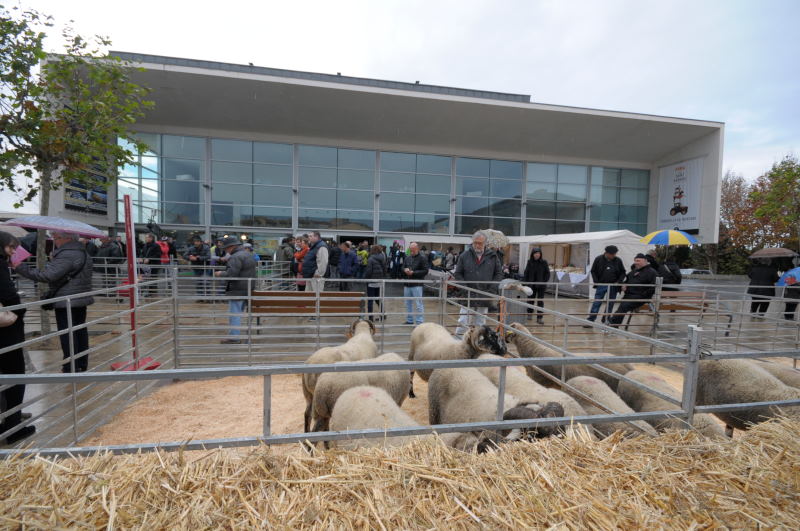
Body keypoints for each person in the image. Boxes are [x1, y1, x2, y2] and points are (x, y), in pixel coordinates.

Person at [14, 231, 94, 372]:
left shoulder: (67, 254)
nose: (54, 241)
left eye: (56, 238)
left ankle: (71, 366)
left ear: (67, 238)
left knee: (68, 333)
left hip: (66, 300)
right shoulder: (82, 252)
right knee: (79, 330)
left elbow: (47, 275)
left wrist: (19, 266)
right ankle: (81, 363)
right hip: (79, 298)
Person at [0, 231, 36, 444]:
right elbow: (8, 296)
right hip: (5, 333)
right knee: (15, 376)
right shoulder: (0, 266)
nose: (14, 251)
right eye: (11, 247)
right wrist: (20, 310)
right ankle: (13, 427)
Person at [453, 231, 503, 337]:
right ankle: (458, 344)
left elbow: (498, 274)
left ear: (485, 243)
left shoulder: (493, 256)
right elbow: (458, 274)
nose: (477, 245)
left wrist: (491, 290)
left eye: (480, 243)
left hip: (484, 294)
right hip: (468, 294)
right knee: (463, 321)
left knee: (480, 322)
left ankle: (478, 343)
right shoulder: (464, 255)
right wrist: (465, 289)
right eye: (475, 242)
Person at [214, 237, 256, 344]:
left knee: (235, 313)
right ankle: (234, 334)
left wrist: (220, 274)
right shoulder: (248, 255)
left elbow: (232, 274)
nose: (225, 251)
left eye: (226, 248)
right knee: (238, 312)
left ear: (231, 247)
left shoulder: (235, 257)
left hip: (237, 289)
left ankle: (234, 337)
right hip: (247, 288)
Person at [607, 254, 658, 328]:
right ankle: (613, 324)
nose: (636, 262)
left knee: (624, 306)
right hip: (628, 295)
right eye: (635, 261)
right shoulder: (634, 271)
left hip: (640, 297)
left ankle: (611, 324)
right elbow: (625, 280)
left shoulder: (652, 272)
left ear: (645, 261)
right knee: (622, 308)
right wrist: (623, 285)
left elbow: (654, 287)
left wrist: (643, 295)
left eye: (638, 261)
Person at [586, 245, 627, 325]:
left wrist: (618, 281)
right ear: (606, 253)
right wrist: (596, 282)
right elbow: (593, 271)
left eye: (615, 254)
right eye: (612, 254)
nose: (613, 256)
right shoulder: (598, 259)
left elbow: (623, 272)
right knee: (597, 302)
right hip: (601, 285)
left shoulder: (618, 260)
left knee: (610, 303)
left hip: (613, 286)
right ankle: (591, 319)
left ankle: (606, 319)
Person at [402, 242, 429, 325]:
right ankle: (410, 320)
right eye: (410, 249)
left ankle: (419, 321)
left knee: (418, 303)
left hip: (417, 284)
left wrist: (413, 273)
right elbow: (402, 266)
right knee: (407, 303)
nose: (411, 251)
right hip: (407, 284)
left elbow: (425, 271)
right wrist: (404, 270)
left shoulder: (422, 258)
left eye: (413, 249)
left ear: (417, 249)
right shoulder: (407, 257)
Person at [523, 247, 550, 324]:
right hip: (531, 285)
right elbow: (526, 273)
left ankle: (539, 317)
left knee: (540, 301)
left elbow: (547, 273)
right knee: (530, 300)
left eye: (538, 253)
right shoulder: (529, 262)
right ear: (533, 254)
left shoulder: (544, 262)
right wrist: (525, 283)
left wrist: (543, 282)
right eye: (535, 253)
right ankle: (529, 314)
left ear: (540, 254)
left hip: (541, 286)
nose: (537, 255)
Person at [302, 231, 329, 299]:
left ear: (316, 237)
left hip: (316, 277)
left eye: (311, 236)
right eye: (308, 236)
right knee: (309, 296)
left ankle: (316, 309)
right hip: (311, 275)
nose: (309, 238)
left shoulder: (321, 247)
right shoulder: (314, 246)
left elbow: (323, 262)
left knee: (317, 296)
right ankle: (310, 309)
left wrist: (318, 273)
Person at [364, 244, 387, 321]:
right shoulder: (382, 258)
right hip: (379, 282)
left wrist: (366, 279)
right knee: (378, 299)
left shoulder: (370, 259)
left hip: (371, 282)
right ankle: (383, 315)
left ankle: (371, 318)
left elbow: (368, 271)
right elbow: (385, 270)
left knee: (370, 300)